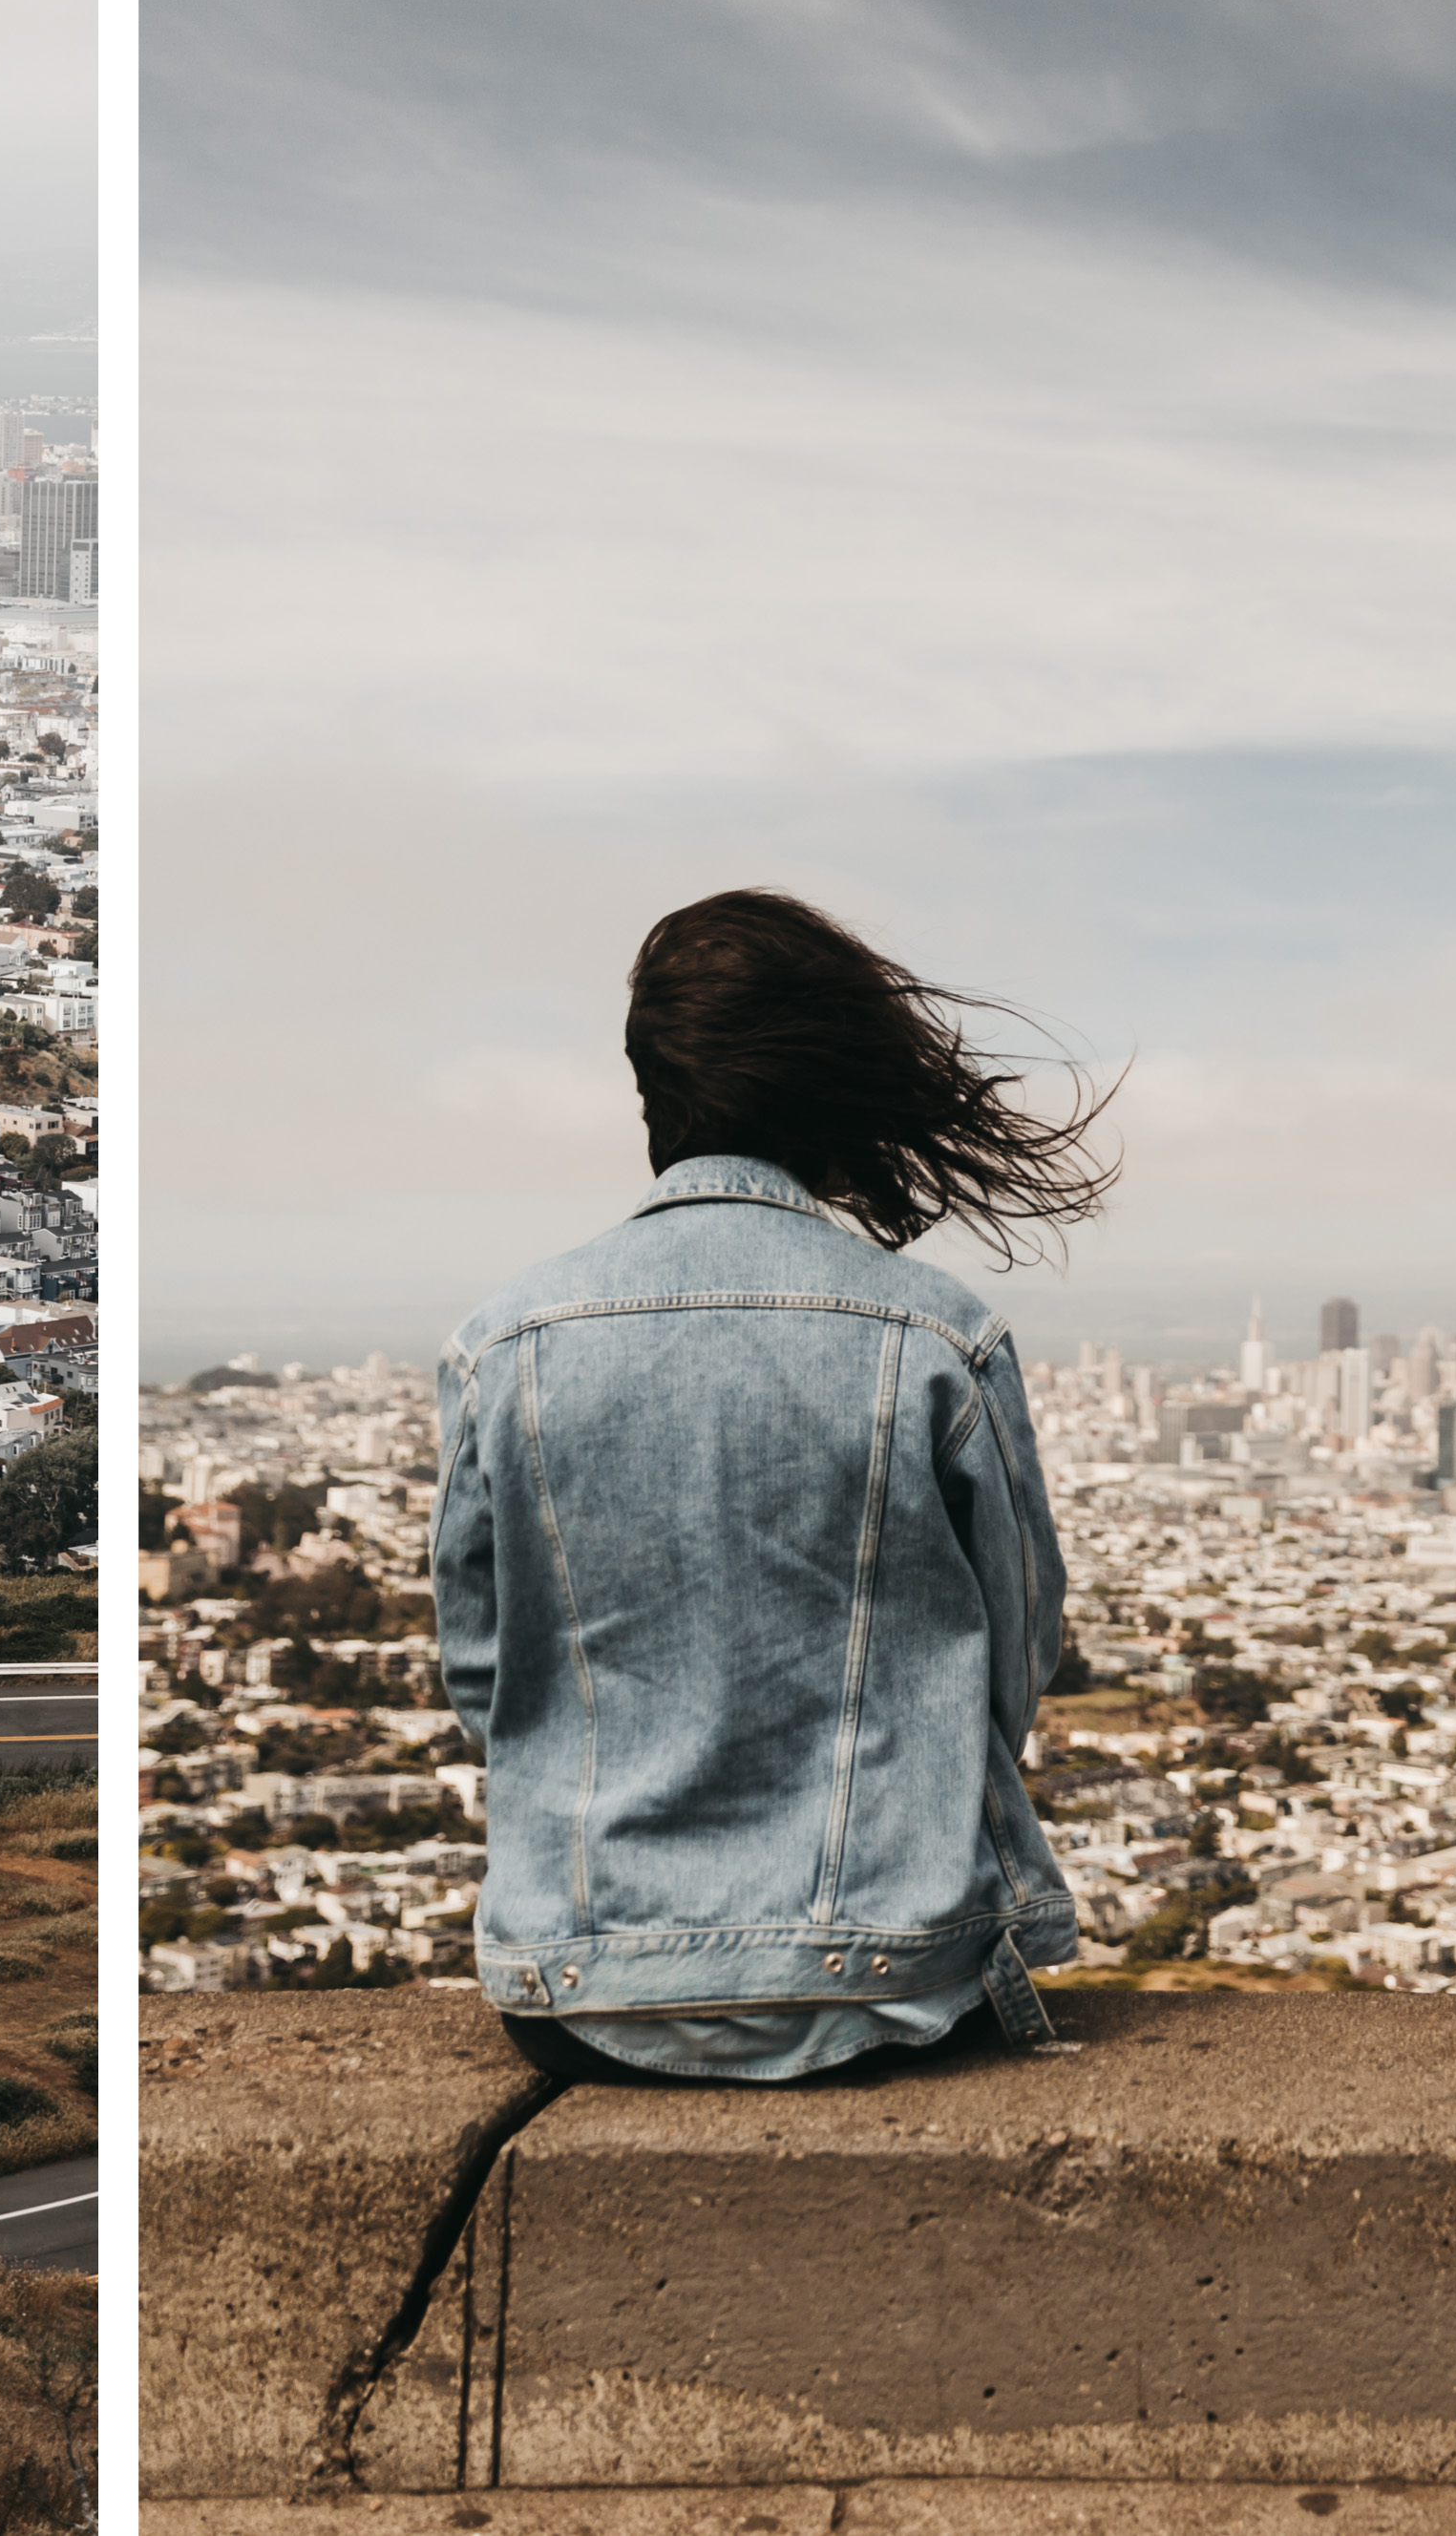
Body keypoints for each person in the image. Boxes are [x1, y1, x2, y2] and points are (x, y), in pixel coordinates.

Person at [432, 889, 1118, 2084]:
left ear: (651, 1090)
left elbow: (484, 1674)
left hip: (577, 1995)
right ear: (831, 1089)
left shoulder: (505, 1341)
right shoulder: (935, 1334)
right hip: (889, 1986)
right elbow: (1010, 1664)